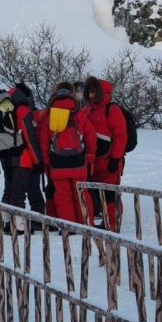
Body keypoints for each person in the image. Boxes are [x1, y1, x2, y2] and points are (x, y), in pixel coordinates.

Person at [37, 88, 96, 224]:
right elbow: (91, 137)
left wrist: (47, 163)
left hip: (57, 164)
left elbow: (44, 144)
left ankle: (68, 227)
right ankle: (86, 224)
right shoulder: (79, 116)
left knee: (63, 196)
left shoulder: (49, 118)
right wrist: (89, 156)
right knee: (81, 194)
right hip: (79, 162)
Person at [84, 76, 128, 232]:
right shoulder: (89, 109)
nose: (90, 95)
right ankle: (106, 223)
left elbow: (121, 136)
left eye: (93, 92)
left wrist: (115, 158)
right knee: (98, 194)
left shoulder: (112, 109)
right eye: (89, 92)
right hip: (94, 162)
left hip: (108, 161)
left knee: (110, 195)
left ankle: (112, 225)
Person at [0, 85, 43, 233]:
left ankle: (6, 223)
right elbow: (30, 138)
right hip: (22, 158)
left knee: (9, 190)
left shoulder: (4, 108)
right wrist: (38, 160)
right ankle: (18, 225)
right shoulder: (23, 110)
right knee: (19, 191)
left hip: (6, 157)